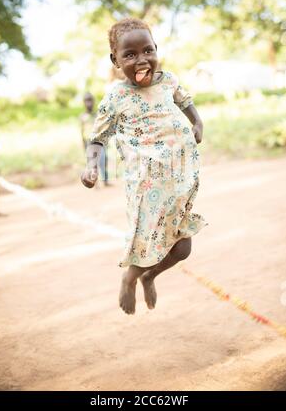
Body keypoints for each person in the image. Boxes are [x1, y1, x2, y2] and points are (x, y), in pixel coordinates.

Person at [81, 18, 207, 314]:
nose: (142, 60)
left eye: (148, 50)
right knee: (144, 246)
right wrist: (91, 167)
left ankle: (150, 277)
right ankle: (130, 278)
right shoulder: (116, 97)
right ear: (115, 60)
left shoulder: (168, 81)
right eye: (130, 54)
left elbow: (185, 101)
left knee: (182, 248)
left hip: (179, 184)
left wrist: (197, 122)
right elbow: (98, 138)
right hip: (144, 186)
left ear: (156, 50)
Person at [80, 92, 111, 187]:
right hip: (89, 143)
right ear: (84, 103)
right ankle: (94, 182)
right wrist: (84, 144)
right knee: (92, 163)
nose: (89, 103)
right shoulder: (82, 117)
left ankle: (105, 181)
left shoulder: (97, 114)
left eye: (90, 100)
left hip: (99, 141)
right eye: (86, 101)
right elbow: (82, 131)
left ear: (93, 101)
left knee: (103, 160)